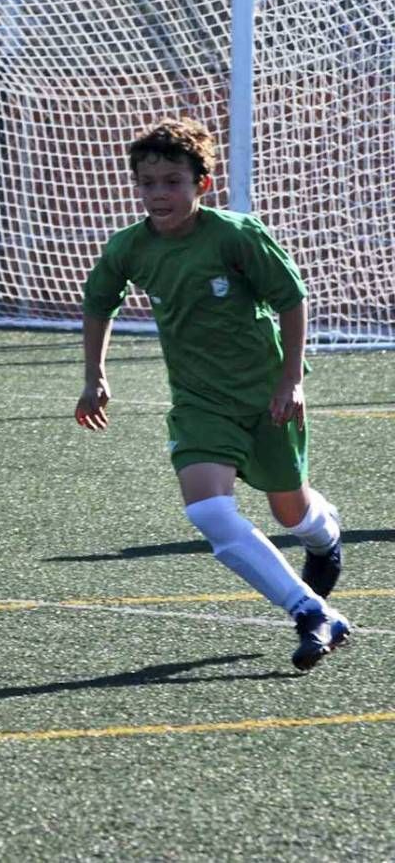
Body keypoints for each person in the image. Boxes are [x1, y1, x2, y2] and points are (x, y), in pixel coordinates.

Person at [75, 117, 349, 672]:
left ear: (201, 182)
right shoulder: (129, 247)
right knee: (209, 512)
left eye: (172, 181)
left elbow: (292, 299)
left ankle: (325, 538)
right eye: (148, 183)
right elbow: (99, 301)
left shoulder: (235, 235)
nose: (158, 194)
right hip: (200, 405)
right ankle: (310, 611)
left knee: (291, 511)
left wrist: (290, 379)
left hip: (267, 398)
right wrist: (94, 376)